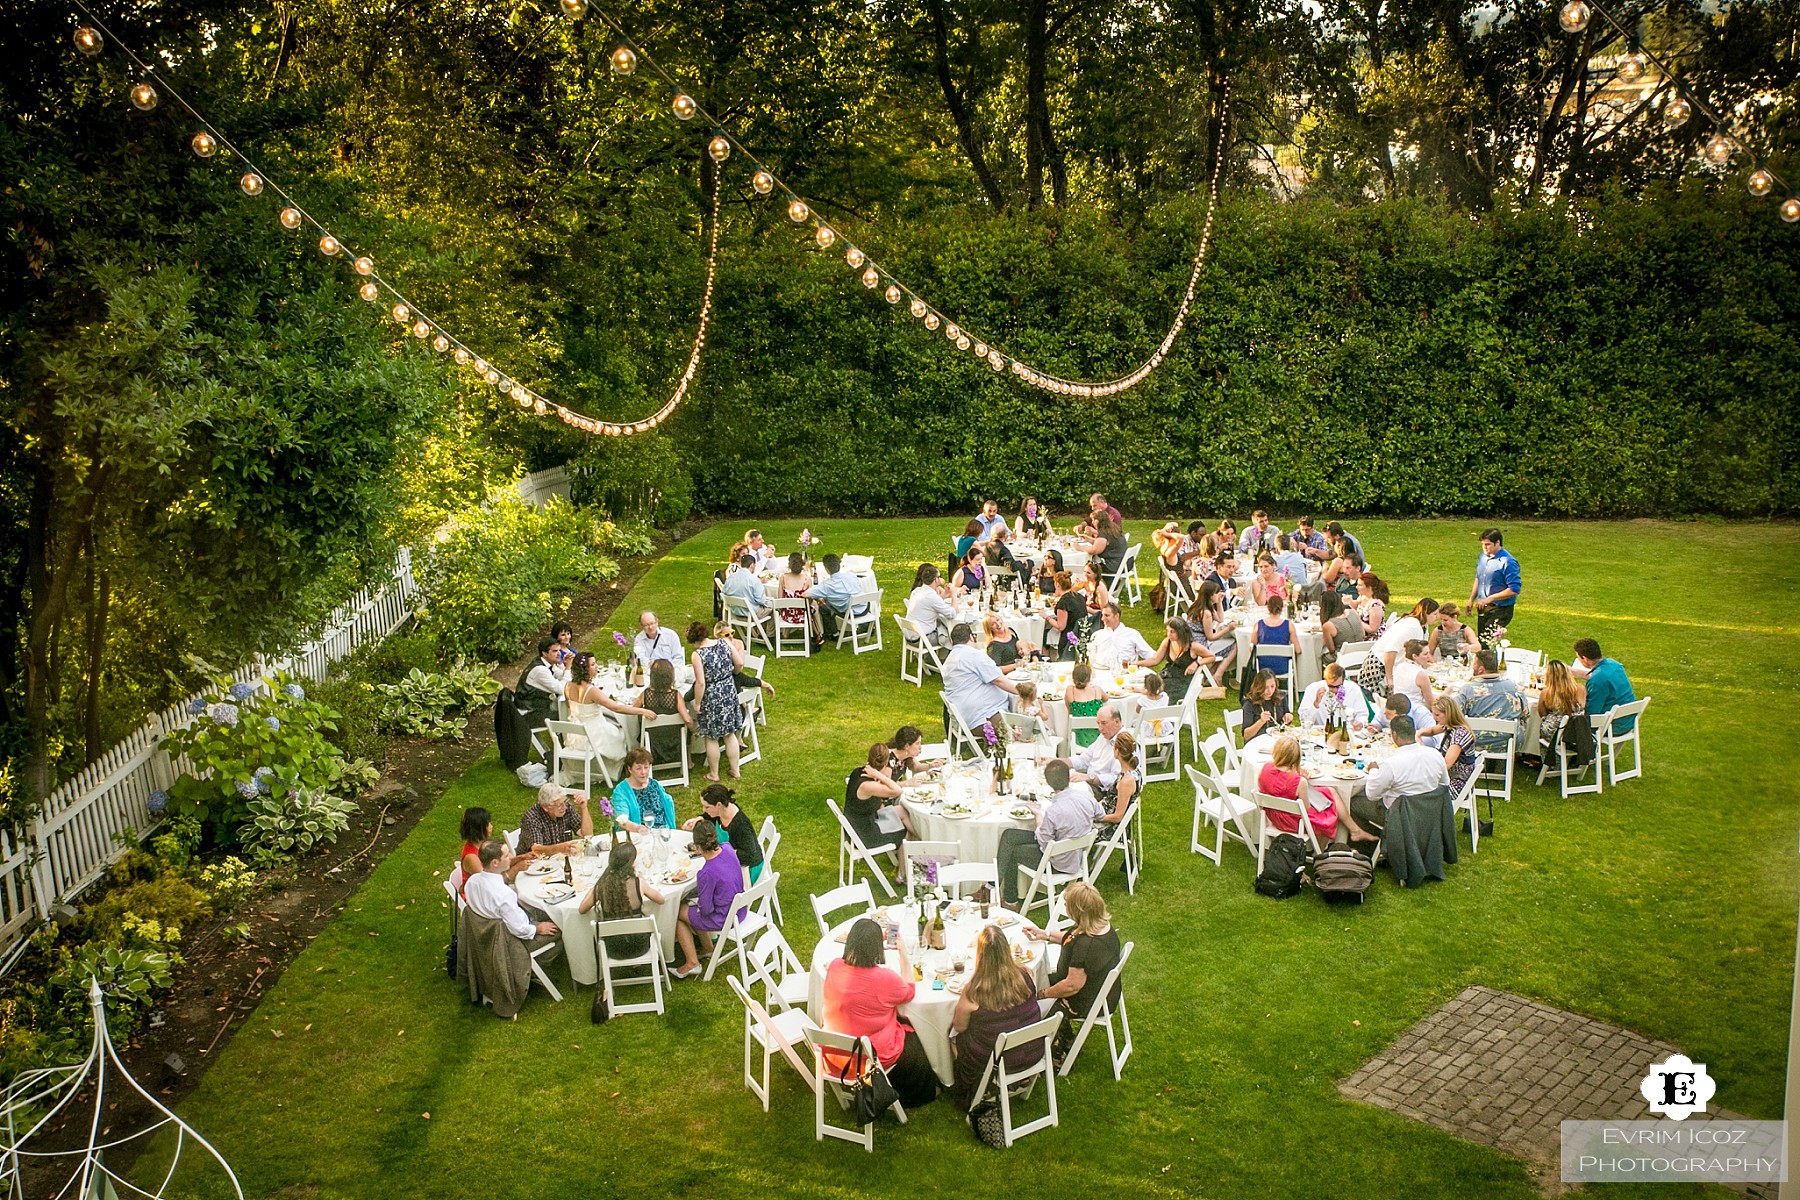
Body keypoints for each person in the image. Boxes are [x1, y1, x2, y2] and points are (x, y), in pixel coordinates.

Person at [822, 918, 939, 1109]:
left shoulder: (835, 966)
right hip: (867, 1059)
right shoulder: (884, 979)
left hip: (833, 1053)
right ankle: (918, 1093)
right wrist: (903, 953)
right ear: (877, 948)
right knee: (914, 1040)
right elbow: (909, 991)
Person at [951, 925, 1045, 1112]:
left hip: (998, 1060)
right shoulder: (1026, 973)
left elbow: (959, 1027)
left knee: (953, 1037)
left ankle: (976, 1084)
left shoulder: (973, 991)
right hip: (1034, 1049)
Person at [1023, 880, 1120, 1057]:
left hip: (1086, 999)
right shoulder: (1097, 925)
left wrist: (1043, 994)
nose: (1065, 907)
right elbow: (1070, 939)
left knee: (1030, 1007)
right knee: (1029, 983)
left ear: (1078, 911)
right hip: (1100, 988)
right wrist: (1044, 935)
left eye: (1067, 905)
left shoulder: (1087, 946)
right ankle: (1065, 1039)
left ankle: (1056, 1053)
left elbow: (1071, 986)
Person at [995, 759, 1103, 908]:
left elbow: (1043, 842)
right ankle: (991, 887)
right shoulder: (1086, 797)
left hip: (1058, 862)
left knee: (1010, 852)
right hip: (1076, 853)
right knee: (1009, 835)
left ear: (1048, 782)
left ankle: (1010, 900)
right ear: (1067, 777)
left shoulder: (1054, 811)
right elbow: (1100, 814)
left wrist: (1038, 816)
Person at [1256, 734, 1371, 845]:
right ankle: (1319, 852)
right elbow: (1306, 809)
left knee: (1330, 791)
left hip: (1273, 815)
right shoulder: (1299, 781)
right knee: (1329, 809)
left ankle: (1355, 830)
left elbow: (1278, 785)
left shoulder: (1265, 768)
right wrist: (1302, 779)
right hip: (1293, 822)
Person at [1352, 715, 1450, 839]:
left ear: (1394, 735)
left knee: (1353, 803)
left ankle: (1372, 845)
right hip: (1430, 814)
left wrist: (1373, 770)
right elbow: (1444, 784)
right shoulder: (1435, 755)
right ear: (1414, 732)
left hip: (1399, 817)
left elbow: (1371, 794)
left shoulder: (1392, 764)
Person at [463, 839, 561, 962]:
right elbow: (519, 929)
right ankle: (536, 966)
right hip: (511, 942)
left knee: (544, 911)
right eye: (506, 856)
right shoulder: (504, 894)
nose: (510, 858)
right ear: (495, 863)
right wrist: (538, 928)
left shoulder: (472, 881)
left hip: (485, 938)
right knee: (562, 927)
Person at [562, 652, 657, 777]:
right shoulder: (591, 690)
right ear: (584, 669)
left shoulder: (567, 686)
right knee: (624, 732)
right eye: (593, 664)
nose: (596, 667)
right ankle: (621, 767)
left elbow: (570, 707)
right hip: (594, 734)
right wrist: (642, 710)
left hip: (575, 735)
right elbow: (616, 708)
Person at [670, 820, 743, 979]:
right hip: (740, 910)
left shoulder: (706, 873)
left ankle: (692, 963)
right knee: (691, 906)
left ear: (696, 847)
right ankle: (707, 947)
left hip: (724, 918)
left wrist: (695, 903)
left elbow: (706, 910)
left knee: (675, 912)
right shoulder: (728, 849)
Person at [578, 839, 664, 962]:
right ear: (631, 863)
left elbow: (582, 909)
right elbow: (661, 900)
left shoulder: (602, 886)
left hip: (612, 948)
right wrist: (643, 880)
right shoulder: (638, 883)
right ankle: (637, 965)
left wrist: (595, 887)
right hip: (639, 945)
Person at [687, 620, 745, 782]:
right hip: (728, 690)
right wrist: (731, 673)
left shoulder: (697, 654)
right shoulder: (724, 642)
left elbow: (700, 683)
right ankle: (735, 770)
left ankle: (714, 773)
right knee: (729, 733)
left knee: (712, 737)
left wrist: (697, 703)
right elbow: (739, 662)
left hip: (712, 695)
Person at [942, 622, 1021, 736]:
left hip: (961, 718)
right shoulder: (973, 655)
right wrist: (1023, 692)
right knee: (1025, 723)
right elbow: (999, 680)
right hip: (981, 718)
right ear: (971, 637)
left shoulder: (950, 659)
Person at [684, 782, 765, 884]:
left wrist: (719, 852)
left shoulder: (740, 825)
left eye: (707, 807)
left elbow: (749, 855)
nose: (704, 810)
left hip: (746, 869)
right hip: (729, 862)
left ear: (718, 805)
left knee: (706, 877)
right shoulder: (723, 810)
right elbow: (710, 817)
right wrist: (698, 819)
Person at [845, 743, 913, 861]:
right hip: (863, 836)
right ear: (886, 762)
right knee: (905, 830)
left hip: (860, 823)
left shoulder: (858, 771)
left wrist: (878, 774)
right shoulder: (869, 785)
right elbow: (897, 790)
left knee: (902, 811)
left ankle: (923, 841)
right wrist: (879, 775)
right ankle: (903, 873)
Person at [1455, 649, 1526, 753]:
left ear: (1481, 669)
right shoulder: (1514, 687)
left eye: (1474, 664)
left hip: (1476, 741)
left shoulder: (1467, 690)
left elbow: (1456, 717)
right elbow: (1525, 713)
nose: (1472, 667)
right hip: (1508, 742)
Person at [1366, 596, 1437, 697]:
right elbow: (1390, 650)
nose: (1437, 617)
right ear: (1426, 613)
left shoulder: (1423, 626)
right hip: (1379, 666)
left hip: (1392, 666)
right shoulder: (1412, 627)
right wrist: (1389, 678)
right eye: (1434, 614)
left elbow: (1420, 650)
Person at [637, 658, 695, 765]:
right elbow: (687, 719)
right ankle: (689, 761)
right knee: (688, 732)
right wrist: (694, 730)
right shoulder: (676, 695)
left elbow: (633, 708)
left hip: (652, 740)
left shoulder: (646, 694)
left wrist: (643, 711)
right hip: (675, 740)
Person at [459, 807, 531, 892]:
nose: (491, 826)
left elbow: (501, 862)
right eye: (487, 824)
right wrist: (516, 869)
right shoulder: (471, 858)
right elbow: (490, 885)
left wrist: (523, 857)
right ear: (478, 828)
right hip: (480, 898)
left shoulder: (484, 844)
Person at [1139, 618, 1210, 704]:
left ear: (1180, 632)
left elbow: (1211, 657)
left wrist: (1196, 663)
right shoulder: (1167, 642)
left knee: (1158, 693)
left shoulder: (1193, 647)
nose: (1169, 634)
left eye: (1172, 632)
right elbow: (1155, 660)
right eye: (1167, 631)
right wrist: (1137, 663)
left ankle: (1158, 712)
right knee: (1150, 686)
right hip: (1167, 675)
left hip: (1182, 679)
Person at [1574, 638, 1637, 732]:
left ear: (1585, 659)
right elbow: (1601, 678)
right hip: (1628, 720)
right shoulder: (1614, 664)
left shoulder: (1597, 681)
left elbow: (1591, 712)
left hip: (1612, 726)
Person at [1469, 527, 1522, 638]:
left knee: (1488, 640)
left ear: (1497, 542)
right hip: (1483, 606)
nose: (1484, 547)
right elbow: (1479, 578)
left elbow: (1514, 589)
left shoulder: (1508, 562)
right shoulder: (1483, 557)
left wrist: (1491, 598)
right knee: (1481, 640)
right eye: (1482, 544)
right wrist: (1471, 600)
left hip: (1500, 609)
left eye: (1487, 544)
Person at [609, 748, 676, 832]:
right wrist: (637, 828)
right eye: (638, 768)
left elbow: (667, 805)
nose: (643, 772)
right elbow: (621, 820)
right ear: (629, 769)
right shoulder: (621, 791)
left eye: (646, 767)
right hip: (638, 835)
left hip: (662, 832)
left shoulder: (654, 784)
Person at [1069, 704, 1125, 803]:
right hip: (1089, 780)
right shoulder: (1104, 737)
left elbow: (1116, 779)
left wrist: (1089, 778)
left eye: (1103, 723)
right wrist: (1059, 762)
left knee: (1067, 798)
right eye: (1098, 723)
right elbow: (1084, 759)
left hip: (1102, 791)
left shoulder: (1124, 744)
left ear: (1117, 722)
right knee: (1058, 782)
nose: (1100, 728)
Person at [520, 781, 592, 855]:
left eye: (565, 801)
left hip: (559, 859)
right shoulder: (532, 819)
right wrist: (561, 848)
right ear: (546, 807)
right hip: (531, 862)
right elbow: (537, 850)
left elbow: (587, 835)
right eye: (559, 805)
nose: (565, 807)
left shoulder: (566, 808)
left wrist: (584, 808)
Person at [1536, 660, 1585, 760]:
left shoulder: (1547, 693)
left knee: (1544, 726)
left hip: (1555, 732)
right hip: (1577, 732)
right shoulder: (1580, 689)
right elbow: (1583, 707)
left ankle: (1548, 761)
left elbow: (1542, 714)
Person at [1192, 580, 1239, 681]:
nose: (1219, 594)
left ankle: (1211, 673)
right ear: (1210, 596)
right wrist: (1228, 629)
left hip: (1194, 641)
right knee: (1235, 645)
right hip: (1201, 646)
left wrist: (1219, 603)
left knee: (1228, 643)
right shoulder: (1206, 613)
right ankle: (1218, 675)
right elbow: (1211, 637)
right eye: (1216, 593)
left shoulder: (1200, 606)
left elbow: (1220, 619)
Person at [1433, 695, 1479, 797]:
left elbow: (1445, 765)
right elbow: (1432, 730)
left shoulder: (1459, 736)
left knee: (1414, 789)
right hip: (1450, 779)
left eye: (1437, 715)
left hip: (1455, 786)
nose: (1434, 718)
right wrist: (1419, 733)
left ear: (1448, 714)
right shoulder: (1451, 727)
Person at [516, 636, 566, 729]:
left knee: (566, 710)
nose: (559, 654)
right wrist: (569, 668)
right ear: (544, 653)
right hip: (528, 713)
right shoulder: (540, 670)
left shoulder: (548, 663)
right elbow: (563, 689)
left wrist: (566, 670)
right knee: (567, 715)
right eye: (555, 651)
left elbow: (561, 676)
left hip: (538, 706)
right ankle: (564, 742)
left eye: (559, 650)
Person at [1088, 602, 1153, 673]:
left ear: (1116, 616)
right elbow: (1091, 658)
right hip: (1101, 673)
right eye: (1102, 615)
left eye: (1106, 615)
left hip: (1126, 675)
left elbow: (1150, 655)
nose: (1103, 619)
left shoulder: (1132, 634)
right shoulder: (1097, 635)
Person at [1299, 663, 1371, 727]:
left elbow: (1362, 714)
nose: (1334, 690)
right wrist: (1316, 704)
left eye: (1338, 686)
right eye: (1331, 686)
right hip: (1321, 733)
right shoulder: (1312, 689)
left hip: (1347, 731)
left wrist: (1360, 722)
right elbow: (1304, 720)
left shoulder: (1353, 689)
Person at [905, 563, 956, 647]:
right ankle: (945, 658)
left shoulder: (917, 591)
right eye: (939, 577)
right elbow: (952, 614)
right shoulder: (931, 597)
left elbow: (932, 603)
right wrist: (954, 595)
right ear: (936, 580)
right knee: (953, 635)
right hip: (922, 638)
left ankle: (934, 658)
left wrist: (945, 593)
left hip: (910, 635)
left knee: (943, 626)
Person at [1252, 595, 1300, 679]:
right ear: (1282, 608)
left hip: (1263, 667)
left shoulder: (1258, 625)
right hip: (1282, 666)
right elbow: (1298, 650)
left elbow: (1252, 647)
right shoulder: (1289, 625)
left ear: (1267, 608)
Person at [1046, 571, 1088, 660]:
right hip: (1082, 632)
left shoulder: (1064, 602)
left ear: (1057, 584)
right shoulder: (1079, 596)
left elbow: (1060, 626)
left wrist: (1046, 617)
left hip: (1069, 637)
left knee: (1047, 634)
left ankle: (1049, 658)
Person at [776, 551, 820, 637]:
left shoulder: (783, 578)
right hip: (803, 614)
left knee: (791, 605)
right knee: (813, 607)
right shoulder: (806, 579)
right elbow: (810, 599)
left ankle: (785, 635)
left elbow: (780, 599)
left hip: (787, 615)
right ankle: (817, 634)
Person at [1062, 662, 1105, 748]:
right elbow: (1106, 698)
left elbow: (1069, 710)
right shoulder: (1097, 690)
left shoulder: (1070, 691)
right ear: (1089, 679)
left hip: (1078, 739)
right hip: (1099, 739)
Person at [1076, 513, 1126, 584]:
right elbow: (1102, 543)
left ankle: (1085, 588)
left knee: (1088, 568)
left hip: (1112, 565)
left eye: (1093, 520)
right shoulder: (1113, 528)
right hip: (1124, 564)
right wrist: (1088, 539)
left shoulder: (1103, 533)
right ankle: (1113, 585)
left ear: (1098, 521)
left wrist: (1079, 547)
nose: (1092, 522)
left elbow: (1095, 550)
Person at [1241, 669, 1288, 740]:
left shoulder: (1280, 697)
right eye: (1266, 687)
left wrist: (1288, 717)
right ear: (1259, 687)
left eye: (1272, 686)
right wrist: (1261, 721)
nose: (1270, 691)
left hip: (1276, 739)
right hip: (1257, 741)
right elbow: (1246, 735)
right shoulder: (1250, 703)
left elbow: (1286, 714)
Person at [1391, 639, 1437, 713]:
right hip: (1416, 712)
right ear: (1415, 656)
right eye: (1425, 654)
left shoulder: (1398, 667)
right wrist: (1447, 693)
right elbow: (1431, 704)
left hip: (1398, 708)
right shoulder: (1420, 675)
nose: (1428, 657)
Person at [721, 552, 771, 619]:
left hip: (734, 612)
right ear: (752, 565)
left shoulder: (730, 578)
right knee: (773, 609)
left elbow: (723, 594)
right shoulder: (753, 580)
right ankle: (765, 629)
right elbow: (761, 600)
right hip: (750, 614)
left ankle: (756, 629)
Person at [1319, 592, 1362, 664]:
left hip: (1343, 660)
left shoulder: (1328, 625)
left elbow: (1332, 650)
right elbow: (1363, 634)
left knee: (1320, 655)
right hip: (1361, 656)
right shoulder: (1353, 612)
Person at [1353, 572, 1391, 641]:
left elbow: (1373, 629)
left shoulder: (1376, 605)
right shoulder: (1363, 597)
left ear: (1369, 587)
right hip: (1362, 635)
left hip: (1373, 640)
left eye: (1360, 585)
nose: (1357, 587)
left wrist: (1356, 620)